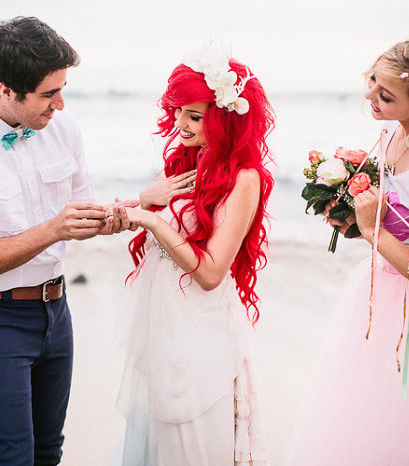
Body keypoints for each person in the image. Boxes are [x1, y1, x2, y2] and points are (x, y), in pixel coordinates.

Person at [0, 16, 135, 466]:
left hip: (56, 310)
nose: (61, 104)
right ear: (6, 90)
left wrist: (125, 214)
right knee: (9, 457)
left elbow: (77, 213)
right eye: (49, 93)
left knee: (48, 452)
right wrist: (54, 228)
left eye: (62, 88)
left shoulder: (63, 130)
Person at [286, 33, 409, 465]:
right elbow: (403, 220)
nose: (369, 93)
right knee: (366, 419)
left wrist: (372, 231)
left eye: (385, 93)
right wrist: (355, 220)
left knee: (408, 428)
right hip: (380, 295)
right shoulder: (395, 128)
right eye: (372, 78)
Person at [114, 48, 274, 465]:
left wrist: (153, 222)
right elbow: (137, 215)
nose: (180, 124)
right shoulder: (189, 163)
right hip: (164, 319)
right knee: (157, 438)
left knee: (195, 436)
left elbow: (211, 273)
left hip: (201, 326)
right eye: (179, 112)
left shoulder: (244, 178)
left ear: (224, 118)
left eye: (195, 116)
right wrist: (145, 203)